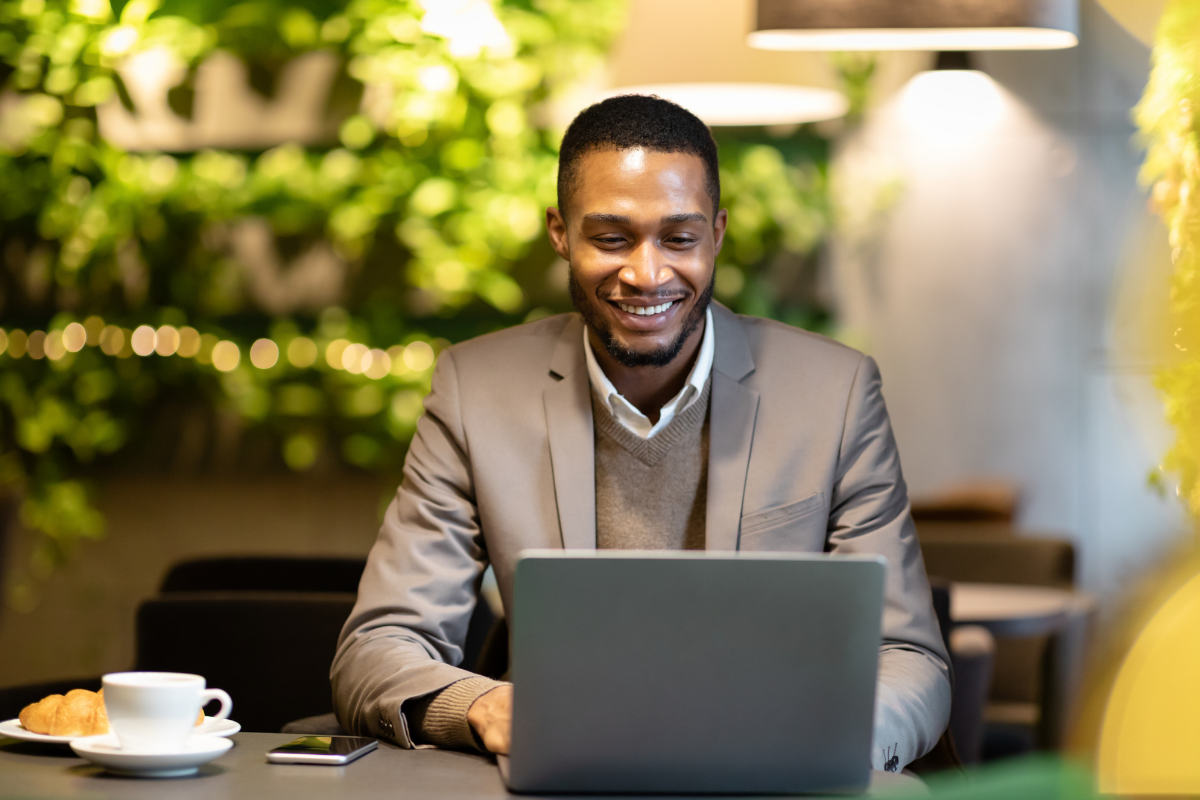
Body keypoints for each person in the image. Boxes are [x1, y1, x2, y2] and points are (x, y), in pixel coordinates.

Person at [332, 94, 951, 772]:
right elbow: (378, 647)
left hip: (771, 777)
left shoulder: (835, 394)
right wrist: (484, 708)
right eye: (612, 238)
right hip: (562, 771)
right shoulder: (474, 392)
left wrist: (830, 743)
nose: (647, 274)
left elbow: (911, 657)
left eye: (679, 239)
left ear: (717, 234)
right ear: (560, 234)